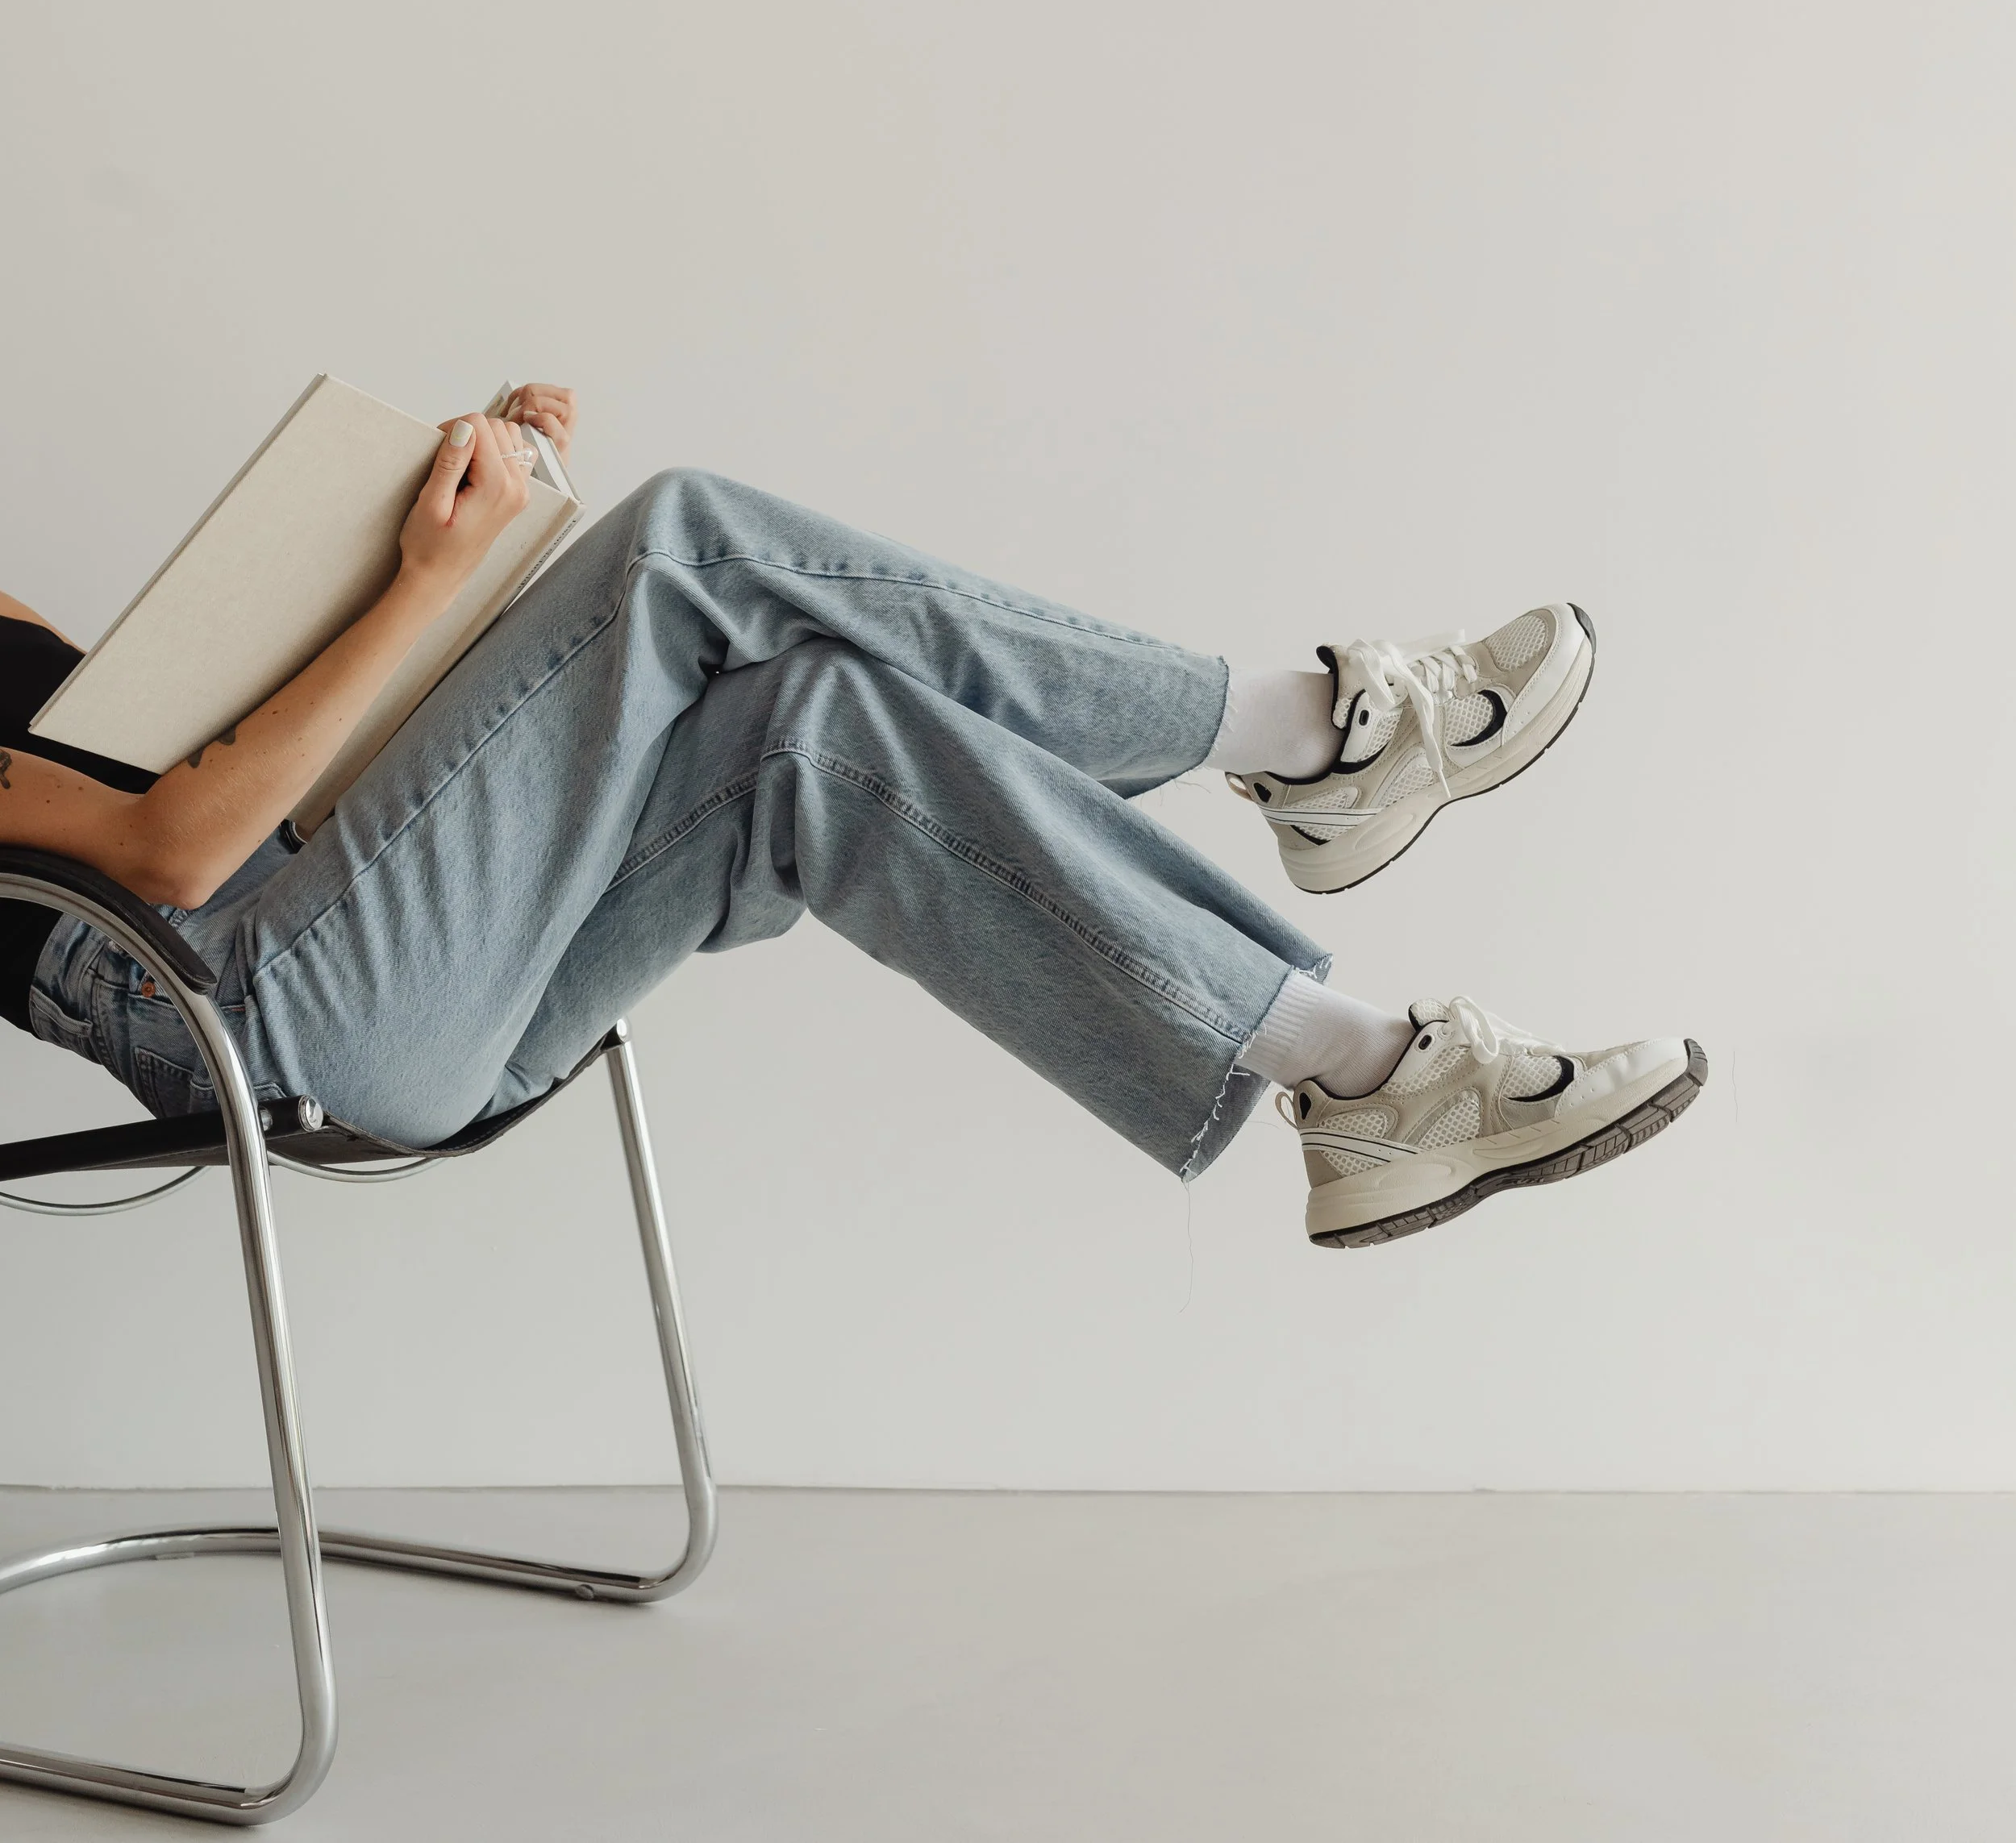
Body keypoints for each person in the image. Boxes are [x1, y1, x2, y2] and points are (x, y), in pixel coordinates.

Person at [0, 388, 1704, 1250]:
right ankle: (1305, 735)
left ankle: (1358, 1076)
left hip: (373, 969)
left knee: (803, 723)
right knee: (687, 539)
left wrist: (462, 557)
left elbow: (255, 775)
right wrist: (456, 582)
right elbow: (168, 853)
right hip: (257, 1007)